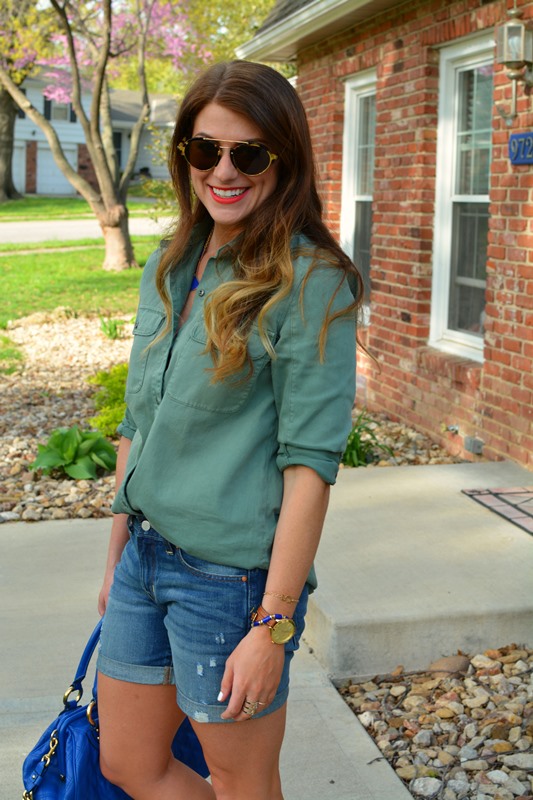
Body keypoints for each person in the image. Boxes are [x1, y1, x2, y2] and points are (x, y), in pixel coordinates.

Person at [96, 59, 363, 800]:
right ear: (184, 154)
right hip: (144, 556)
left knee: (242, 783)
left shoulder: (309, 282)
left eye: (247, 154)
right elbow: (137, 420)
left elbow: (309, 466)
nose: (223, 170)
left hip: (230, 583)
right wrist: (117, 552)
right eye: (204, 150)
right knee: (127, 762)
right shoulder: (173, 260)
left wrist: (273, 626)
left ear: (284, 159)